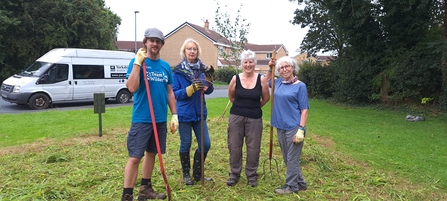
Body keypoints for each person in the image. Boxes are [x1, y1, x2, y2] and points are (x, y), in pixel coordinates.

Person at [121, 28, 178, 201]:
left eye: (158, 41)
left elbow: (169, 92)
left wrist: (174, 114)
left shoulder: (166, 66)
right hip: (142, 119)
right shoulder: (137, 62)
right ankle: (127, 195)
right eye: (151, 40)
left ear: (162, 44)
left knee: (153, 153)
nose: (154, 44)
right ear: (145, 42)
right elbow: (131, 88)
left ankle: (145, 188)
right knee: (135, 157)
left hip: (160, 119)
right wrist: (138, 63)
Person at [172, 38, 215, 185]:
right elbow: (174, 94)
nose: (192, 51)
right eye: (189, 49)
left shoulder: (203, 69)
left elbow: (210, 90)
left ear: (198, 51)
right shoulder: (178, 71)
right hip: (184, 114)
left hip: (199, 112)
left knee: (206, 144)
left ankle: (198, 174)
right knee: (186, 144)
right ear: (184, 52)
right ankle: (186, 174)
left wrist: (208, 84)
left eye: (194, 49)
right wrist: (189, 90)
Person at [265, 56, 309, 194]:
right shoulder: (278, 82)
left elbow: (304, 109)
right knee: (287, 158)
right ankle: (301, 183)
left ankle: (292, 186)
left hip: (294, 127)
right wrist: (270, 67)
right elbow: (265, 81)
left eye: (287, 66)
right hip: (280, 126)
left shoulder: (300, 86)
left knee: (292, 159)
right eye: (281, 68)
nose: (284, 69)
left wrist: (301, 129)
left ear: (293, 68)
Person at [226, 50, 270, 187]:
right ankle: (234, 174)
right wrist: (241, 108)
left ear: (254, 63)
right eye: (245, 62)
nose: (248, 64)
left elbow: (266, 98)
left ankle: (251, 175)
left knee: (253, 148)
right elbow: (231, 96)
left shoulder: (261, 79)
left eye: (250, 62)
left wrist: (254, 107)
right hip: (236, 117)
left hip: (255, 118)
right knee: (234, 146)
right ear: (242, 64)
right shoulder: (235, 79)